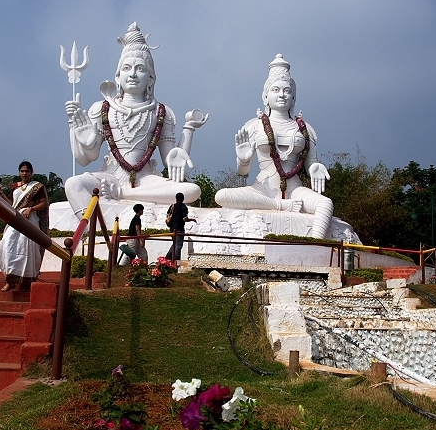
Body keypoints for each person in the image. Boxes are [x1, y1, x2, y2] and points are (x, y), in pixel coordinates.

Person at [64, 22, 209, 214]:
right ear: (118, 76)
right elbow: (86, 159)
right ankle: (96, 228)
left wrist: (188, 130)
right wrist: (77, 132)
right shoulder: (102, 109)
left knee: (190, 191)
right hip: (110, 176)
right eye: (126, 68)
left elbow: (169, 161)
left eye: (140, 68)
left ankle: (122, 194)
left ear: (151, 78)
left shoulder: (161, 112)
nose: (132, 74)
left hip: (146, 179)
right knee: (74, 184)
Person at [214, 54, 334, 238]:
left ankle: (315, 245)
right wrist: (243, 160)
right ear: (265, 96)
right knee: (221, 196)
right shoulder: (254, 126)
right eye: (276, 90)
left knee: (325, 204)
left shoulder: (305, 129)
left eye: (287, 91)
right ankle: (279, 205)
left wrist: (315, 168)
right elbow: (243, 172)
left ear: (294, 97)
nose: (282, 95)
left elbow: (311, 165)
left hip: (295, 190)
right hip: (263, 188)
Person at [0, 161, 50, 291]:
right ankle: (10, 280)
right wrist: (1, 193)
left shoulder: (37, 187)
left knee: (27, 249)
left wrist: (31, 209)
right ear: (19, 172)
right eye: (22, 171)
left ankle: (27, 280)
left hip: (30, 220)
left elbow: (44, 203)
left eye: (27, 171)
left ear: (31, 172)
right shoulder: (15, 186)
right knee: (8, 245)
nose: (24, 173)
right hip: (16, 219)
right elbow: (13, 204)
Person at [165, 192, 195, 262]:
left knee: (174, 244)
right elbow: (184, 219)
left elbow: (168, 215)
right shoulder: (184, 207)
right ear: (183, 199)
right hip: (179, 228)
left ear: (176, 198)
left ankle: (167, 259)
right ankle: (176, 261)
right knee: (178, 245)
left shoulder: (172, 206)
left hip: (172, 228)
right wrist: (192, 219)